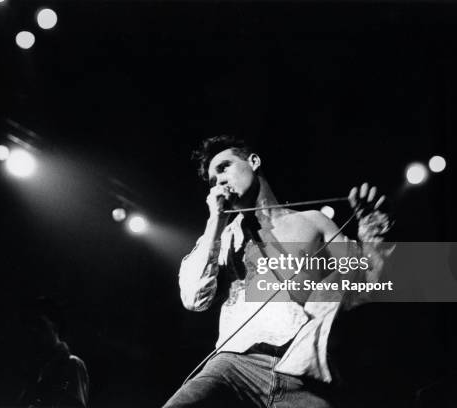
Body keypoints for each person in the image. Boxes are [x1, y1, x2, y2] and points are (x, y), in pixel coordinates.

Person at [164, 135, 393, 408]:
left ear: (254, 161)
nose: (219, 182)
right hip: (234, 365)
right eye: (212, 181)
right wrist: (216, 220)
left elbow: (368, 285)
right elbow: (194, 298)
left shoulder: (313, 223)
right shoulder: (222, 237)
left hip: (303, 374)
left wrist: (374, 233)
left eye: (224, 167)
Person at [17, 298, 90, 408]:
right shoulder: (38, 369)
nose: (34, 330)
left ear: (55, 326)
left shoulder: (72, 364)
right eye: (31, 325)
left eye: (40, 324)